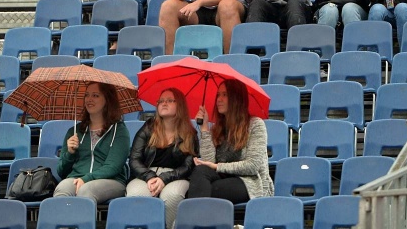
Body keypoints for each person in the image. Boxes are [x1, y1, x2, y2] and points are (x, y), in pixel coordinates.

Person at [187, 79, 274, 204]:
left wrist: (217, 167)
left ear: (237, 99)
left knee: (207, 190)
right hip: (222, 178)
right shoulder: (218, 128)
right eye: (218, 95)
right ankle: (201, 221)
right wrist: (204, 128)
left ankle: (195, 222)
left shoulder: (255, 125)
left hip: (249, 182)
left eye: (224, 95)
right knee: (200, 172)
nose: (219, 99)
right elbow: (209, 162)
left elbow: (253, 166)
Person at [126, 88, 199, 229]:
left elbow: (189, 166)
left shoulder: (190, 133)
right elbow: (134, 159)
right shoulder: (148, 127)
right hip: (146, 175)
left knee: (172, 196)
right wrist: (150, 176)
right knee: (137, 195)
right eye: (161, 101)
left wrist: (164, 178)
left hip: (176, 176)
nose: (164, 103)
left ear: (180, 105)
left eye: (170, 100)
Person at [54, 82, 130, 204]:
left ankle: (83, 224)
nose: (89, 99)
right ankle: (65, 223)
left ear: (107, 100)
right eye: (87, 95)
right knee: (62, 188)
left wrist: (87, 178)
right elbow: (61, 171)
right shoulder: (74, 131)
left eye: (95, 95)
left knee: (86, 191)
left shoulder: (119, 130)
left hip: (111, 180)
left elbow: (113, 166)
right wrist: (70, 153)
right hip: (77, 178)